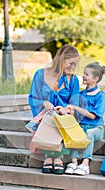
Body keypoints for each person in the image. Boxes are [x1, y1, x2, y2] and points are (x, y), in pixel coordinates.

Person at [28, 44, 80, 174]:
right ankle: (51, 156)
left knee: (58, 118)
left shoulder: (73, 80)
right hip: (44, 115)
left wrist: (65, 109)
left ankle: (56, 156)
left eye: (75, 64)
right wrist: (44, 103)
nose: (73, 67)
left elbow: (74, 104)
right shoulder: (40, 74)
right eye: (71, 63)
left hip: (64, 117)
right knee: (49, 118)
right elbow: (33, 98)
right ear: (61, 60)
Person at [64, 62, 105, 175]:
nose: (83, 76)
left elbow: (92, 116)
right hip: (81, 125)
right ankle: (73, 162)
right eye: (84, 73)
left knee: (89, 133)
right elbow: (74, 112)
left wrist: (76, 107)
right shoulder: (81, 94)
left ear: (96, 78)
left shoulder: (100, 96)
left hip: (96, 128)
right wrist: (66, 110)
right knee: (75, 131)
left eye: (86, 74)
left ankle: (85, 163)